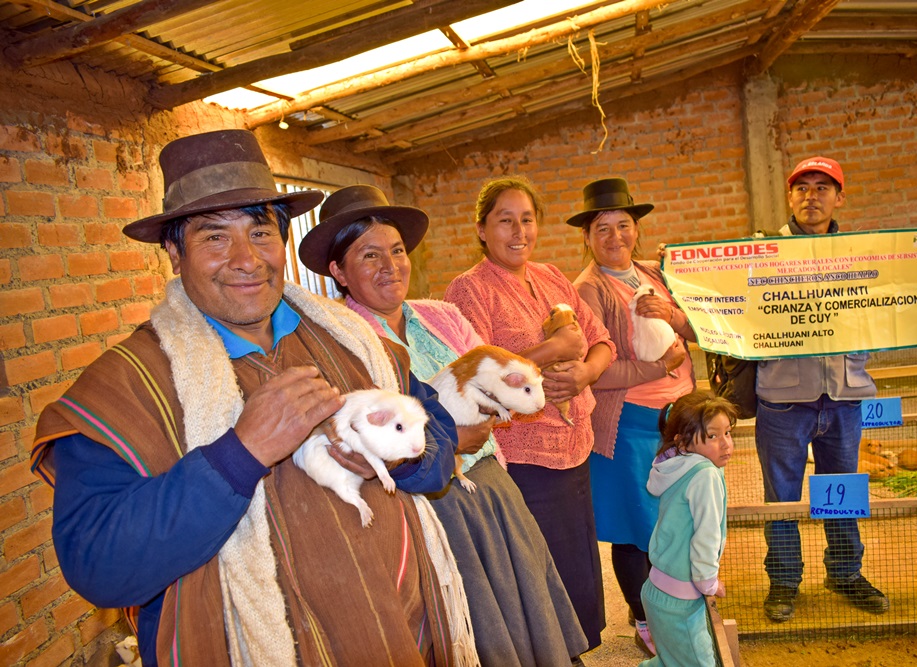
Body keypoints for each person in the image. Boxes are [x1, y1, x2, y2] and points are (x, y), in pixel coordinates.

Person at [30, 130, 461, 666]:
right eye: (215, 237)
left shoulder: (354, 339)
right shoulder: (126, 387)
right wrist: (241, 453)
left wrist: (399, 463)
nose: (246, 260)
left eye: (260, 232)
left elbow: (440, 440)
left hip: (402, 636)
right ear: (173, 252)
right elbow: (98, 565)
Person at [297, 183, 590, 666]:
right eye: (370, 255)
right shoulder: (342, 343)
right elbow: (363, 437)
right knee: (474, 623)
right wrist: (452, 439)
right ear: (339, 272)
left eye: (396, 251)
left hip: (492, 487)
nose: (390, 266)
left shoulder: (443, 318)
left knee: (529, 615)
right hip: (432, 508)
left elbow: (499, 386)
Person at [444, 175, 615, 651]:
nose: (519, 232)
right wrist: (552, 350)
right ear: (481, 229)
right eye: (505, 221)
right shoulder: (469, 291)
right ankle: (555, 653)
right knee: (539, 565)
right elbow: (475, 376)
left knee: (578, 560)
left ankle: (578, 649)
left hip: (575, 448)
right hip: (523, 460)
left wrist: (585, 373)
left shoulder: (552, 276)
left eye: (527, 219)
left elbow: (601, 341)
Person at [755, 156, 888, 622]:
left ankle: (846, 573)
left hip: (845, 396)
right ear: (790, 197)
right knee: (782, 498)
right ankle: (784, 581)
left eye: (822, 188)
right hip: (783, 399)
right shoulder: (761, 253)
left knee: (843, 490)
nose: (811, 196)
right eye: (802, 188)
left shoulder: (863, 254)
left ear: (839, 198)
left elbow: (889, 303)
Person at [568, 178, 695, 656]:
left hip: (679, 418)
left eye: (623, 225)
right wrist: (659, 367)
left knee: (673, 520)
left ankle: (671, 604)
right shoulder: (588, 290)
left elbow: (703, 329)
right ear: (587, 236)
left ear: (637, 230)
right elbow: (594, 373)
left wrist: (674, 316)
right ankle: (644, 618)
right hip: (632, 424)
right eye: (602, 228)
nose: (615, 236)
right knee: (635, 527)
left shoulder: (655, 274)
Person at [641, 389, 737, 667]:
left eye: (727, 433)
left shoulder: (677, 464)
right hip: (681, 600)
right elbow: (706, 537)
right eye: (713, 436)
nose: (726, 444)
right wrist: (709, 582)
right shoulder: (705, 475)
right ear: (683, 442)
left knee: (670, 660)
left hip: (659, 588)